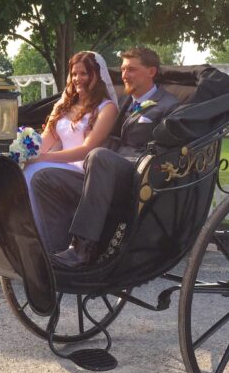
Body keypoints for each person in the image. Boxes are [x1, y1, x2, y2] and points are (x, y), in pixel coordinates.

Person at [31, 46, 180, 268]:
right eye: (123, 69)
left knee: (98, 154)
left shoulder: (169, 106)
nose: (124, 75)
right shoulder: (125, 104)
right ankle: (54, 251)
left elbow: (168, 149)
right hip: (104, 174)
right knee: (43, 178)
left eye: (131, 70)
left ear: (151, 72)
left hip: (140, 175)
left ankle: (83, 249)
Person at [23, 51, 119, 252]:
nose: (77, 79)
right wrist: (23, 153)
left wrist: (41, 158)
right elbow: (45, 141)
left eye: (84, 73)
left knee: (35, 171)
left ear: (96, 76)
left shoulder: (106, 108)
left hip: (85, 173)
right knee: (20, 169)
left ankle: (45, 242)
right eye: (74, 74)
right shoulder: (63, 106)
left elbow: (86, 150)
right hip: (57, 164)